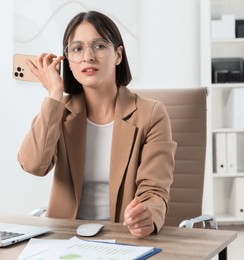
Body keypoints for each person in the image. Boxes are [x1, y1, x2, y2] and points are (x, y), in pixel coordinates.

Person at [17, 10, 176, 238]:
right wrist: (54, 94)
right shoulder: (59, 112)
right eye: (77, 48)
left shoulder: (151, 114)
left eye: (99, 46)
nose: (88, 57)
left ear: (118, 55)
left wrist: (147, 214)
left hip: (123, 238)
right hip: (65, 238)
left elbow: (154, 191)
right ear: (68, 62)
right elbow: (33, 165)